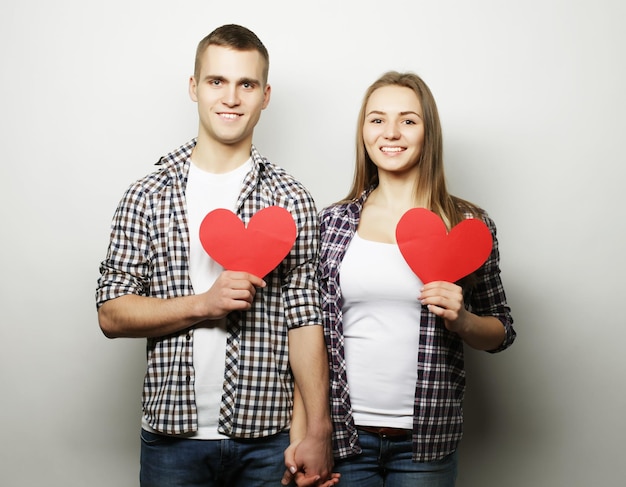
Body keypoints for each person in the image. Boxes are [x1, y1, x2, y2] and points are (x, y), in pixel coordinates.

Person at [95, 24, 334, 487]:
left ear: (265, 96)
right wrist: (204, 303)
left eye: (246, 84)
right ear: (194, 87)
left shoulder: (292, 200)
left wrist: (315, 431)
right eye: (216, 81)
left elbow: (305, 322)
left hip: (267, 440)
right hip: (171, 439)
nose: (231, 97)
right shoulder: (147, 195)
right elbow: (111, 314)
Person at [317, 71, 517, 486]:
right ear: (363, 131)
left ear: (428, 133)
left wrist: (462, 320)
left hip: (426, 442)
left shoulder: (467, 224)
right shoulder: (331, 224)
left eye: (408, 120)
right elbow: (309, 332)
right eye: (377, 119)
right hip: (342, 438)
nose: (391, 132)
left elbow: (500, 330)